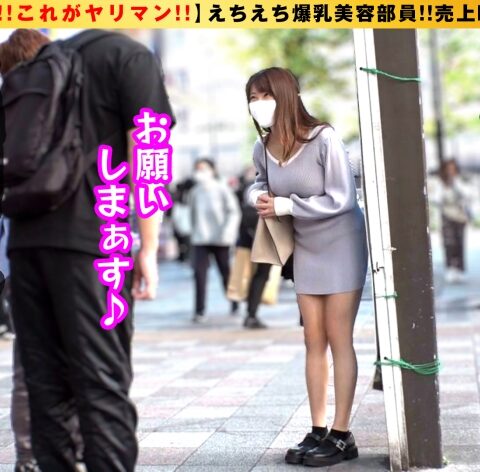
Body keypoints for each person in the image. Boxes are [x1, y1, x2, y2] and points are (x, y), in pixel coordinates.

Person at [4, 28, 174, 472]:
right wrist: (148, 247)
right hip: (94, 243)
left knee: (45, 386)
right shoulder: (130, 57)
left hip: (25, 239)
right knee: (102, 382)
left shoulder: (43, 59)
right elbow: (148, 151)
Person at [246, 67, 368, 467]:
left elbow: (342, 198)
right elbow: (259, 182)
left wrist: (287, 205)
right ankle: (318, 429)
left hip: (341, 243)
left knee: (338, 337)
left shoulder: (323, 138)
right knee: (312, 340)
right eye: (253, 98)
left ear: (285, 95)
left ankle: (342, 434)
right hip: (305, 247)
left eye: (265, 95)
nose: (258, 104)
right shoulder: (262, 147)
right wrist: (257, 197)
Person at [189, 158, 241, 323]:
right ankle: (199, 310)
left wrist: (228, 232)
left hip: (221, 239)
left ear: (212, 170)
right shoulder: (195, 192)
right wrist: (192, 234)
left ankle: (234, 301)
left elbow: (233, 212)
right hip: (200, 239)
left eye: (204, 168)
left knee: (225, 272)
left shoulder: (222, 189)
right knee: (199, 274)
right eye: (198, 169)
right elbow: (192, 214)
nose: (200, 172)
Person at [235, 166, 270, 329]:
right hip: (270, 237)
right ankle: (306, 317)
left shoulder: (251, 188)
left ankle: (250, 315)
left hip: (261, 239)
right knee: (297, 274)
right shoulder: (259, 187)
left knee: (260, 275)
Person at [438, 159, 472, 283]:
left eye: (453, 168)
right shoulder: (441, 183)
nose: (451, 171)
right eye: (448, 168)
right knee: (448, 243)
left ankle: (459, 269)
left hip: (460, 217)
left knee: (460, 243)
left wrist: (455, 183)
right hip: (447, 216)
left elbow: (467, 195)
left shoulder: (460, 181)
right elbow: (438, 199)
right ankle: (450, 268)